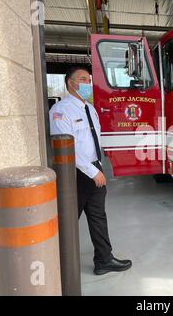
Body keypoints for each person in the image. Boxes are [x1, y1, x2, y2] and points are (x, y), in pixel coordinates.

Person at [49, 66, 132, 275]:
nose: (87, 83)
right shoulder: (61, 111)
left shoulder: (90, 109)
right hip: (75, 174)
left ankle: (103, 260)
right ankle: (53, 264)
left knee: (98, 217)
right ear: (70, 83)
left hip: (94, 168)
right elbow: (67, 147)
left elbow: (94, 140)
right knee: (68, 220)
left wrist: (99, 166)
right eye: (83, 79)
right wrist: (92, 172)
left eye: (89, 79)